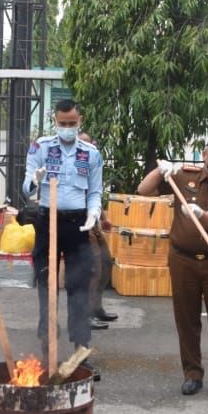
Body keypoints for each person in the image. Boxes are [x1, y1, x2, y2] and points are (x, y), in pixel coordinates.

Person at [137, 130, 208, 396]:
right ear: (204, 155)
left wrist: (202, 215)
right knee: (186, 319)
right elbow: (144, 190)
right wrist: (159, 170)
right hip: (182, 260)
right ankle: (192, 374)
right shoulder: (183, 176)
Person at [24, 100, 104, 378]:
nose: (67, 128)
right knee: (47, 288)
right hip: (47, 222)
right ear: (54, 121)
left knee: (78, 289)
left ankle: (81, 353)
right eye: (62, 123)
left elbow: (95, 190)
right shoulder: (41, 148)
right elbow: (25, 187)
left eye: (72, 123)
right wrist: (35, 180)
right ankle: (48, 353)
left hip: (77, 225)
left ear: (79, 120)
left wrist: (94, 211)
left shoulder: (91, 154)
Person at [79, 132, 118, 330]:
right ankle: (84, 316)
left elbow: (93, 196)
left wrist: (104, 218)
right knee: (93, 269)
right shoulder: (71, 167)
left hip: (93, 224)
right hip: (80, 225)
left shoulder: (91, 167)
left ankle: (96, 308)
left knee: (105, 263)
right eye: (82, 143)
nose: (86, 147)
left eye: (89, 144)